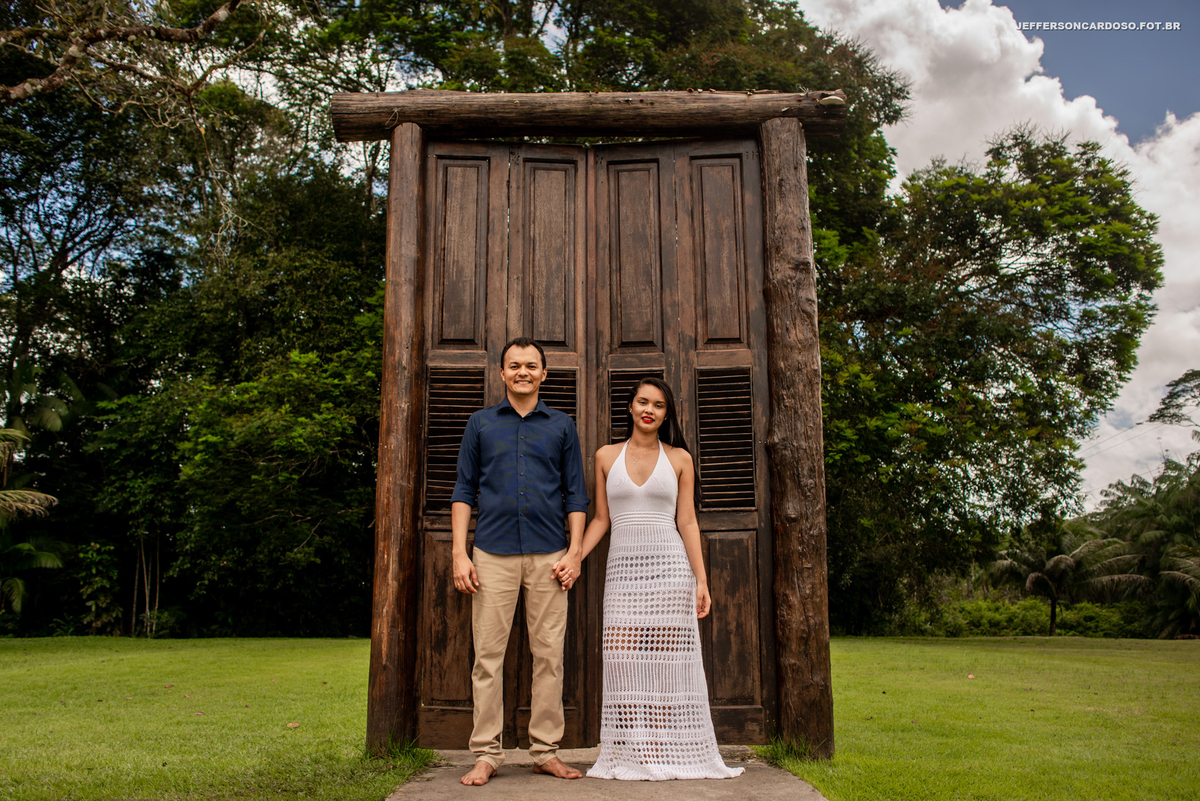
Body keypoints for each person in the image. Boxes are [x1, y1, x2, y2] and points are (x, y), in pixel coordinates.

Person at [568, 377, 744, 781]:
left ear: (666, 414)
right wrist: (575, 556)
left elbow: (687, 520)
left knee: (666, 663)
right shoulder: (605, 456)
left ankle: (661, 746)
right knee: (621, 657)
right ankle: (633, 745)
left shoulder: (680, 458)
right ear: (630, 407)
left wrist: (701, 581)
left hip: (669, 569)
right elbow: (601, 519)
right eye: (643, 402)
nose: (649, 410)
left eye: (659, 405)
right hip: (622, 573)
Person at [450, 337, 589, 786]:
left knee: (549, 656)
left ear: (544, 374)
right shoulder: (480, 424)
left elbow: (576, 496)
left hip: (551, 555)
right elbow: (463, 491)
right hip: (491, 554)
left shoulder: (562, 427)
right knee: (487, 658)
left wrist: (575, 552)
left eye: (531, 365)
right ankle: (487, 754)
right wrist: (459, 552)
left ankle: (545, 750)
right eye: (515, 366)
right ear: (503, 373)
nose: (523, 372)